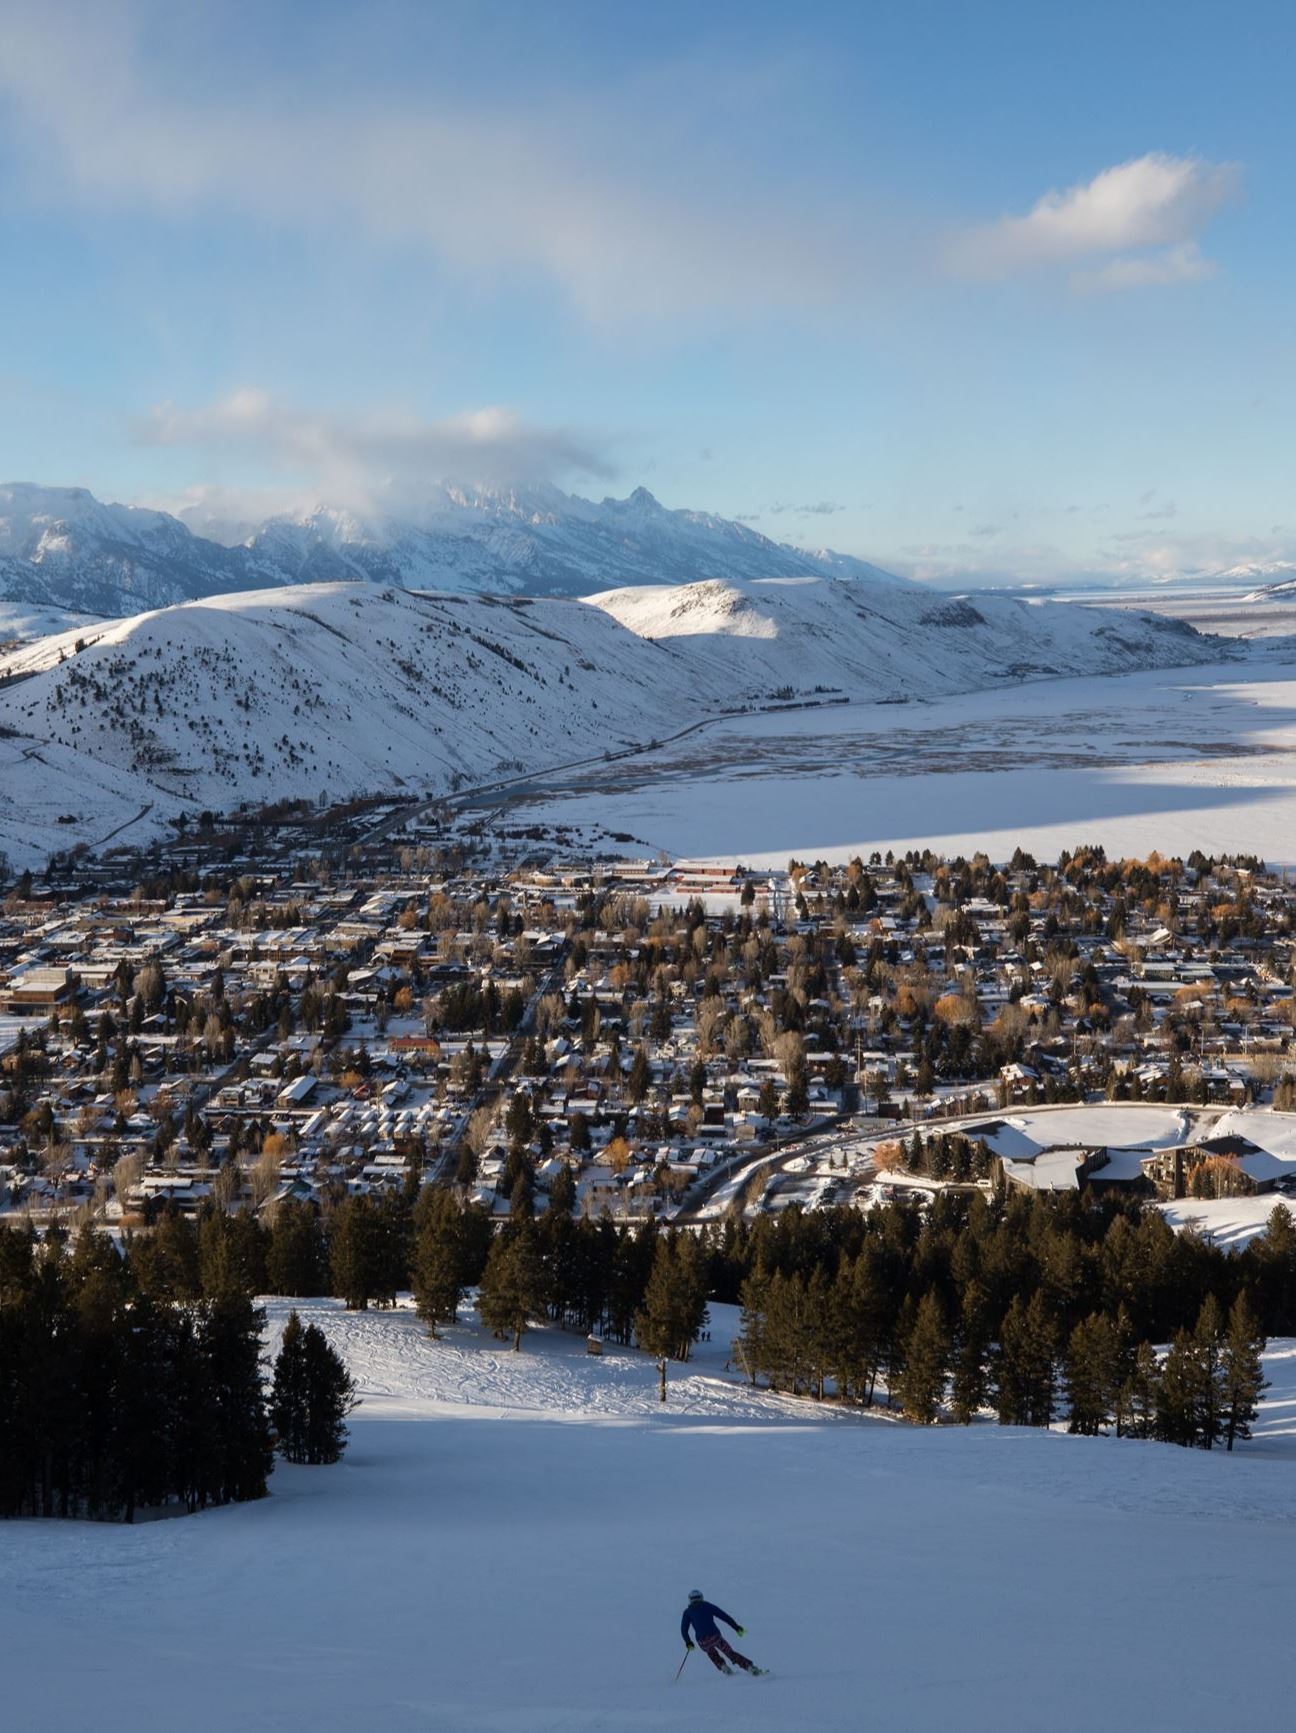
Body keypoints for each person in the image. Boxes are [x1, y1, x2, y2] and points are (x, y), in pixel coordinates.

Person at [679, 1589, 765, 1676]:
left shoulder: (687, 1612)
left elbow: (683, 1630)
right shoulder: (707, 1606)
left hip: (702, 1641)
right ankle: (749, 1667)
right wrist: (736, 1627)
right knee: (730, 1653)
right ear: (701, 1598)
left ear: (690, 1600)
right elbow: (724, 1616)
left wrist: (688, 1642)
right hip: (714, 1636)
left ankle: (724, 1668)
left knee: (711, 1653)